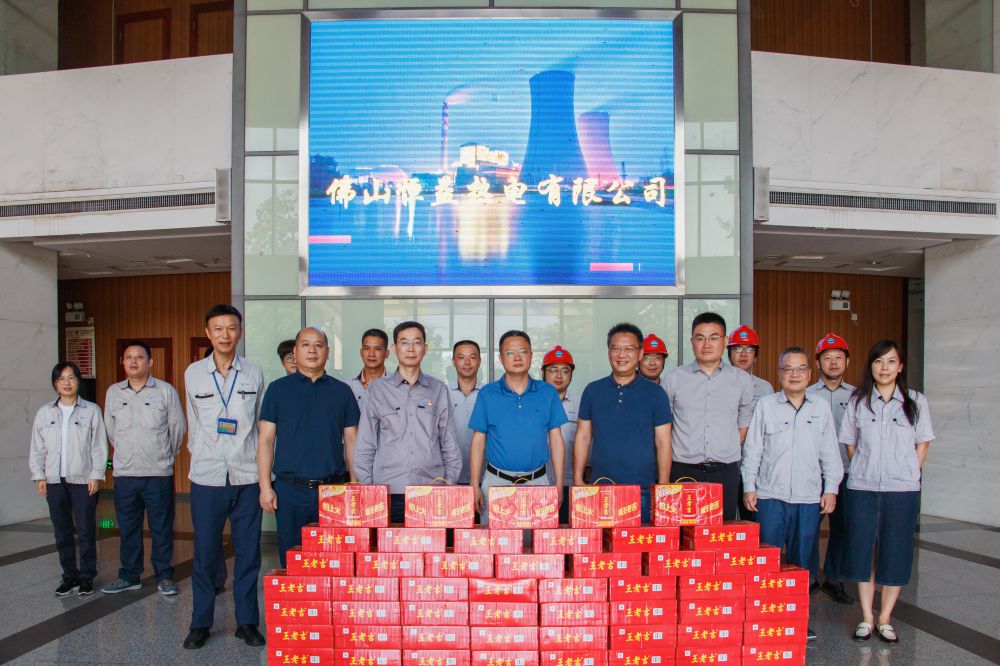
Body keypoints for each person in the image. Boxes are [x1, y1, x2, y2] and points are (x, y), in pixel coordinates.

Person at [741, 347, 843, 641]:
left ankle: (797, 620)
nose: (794, 374)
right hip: (770, 496)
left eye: (800, 369)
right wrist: (749, 486)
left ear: (809, 374)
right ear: (780, 373)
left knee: (802, 564)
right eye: (788, 369)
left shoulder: (820, 408)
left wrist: (831, 489)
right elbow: (753, 449)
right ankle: (766, 619)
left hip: (808, 498)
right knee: (768, 559)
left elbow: (830, 453)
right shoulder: (766, 406)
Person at [182, 304, 265, 650]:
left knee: (248, 553)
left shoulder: (254, 372)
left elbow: (260, 425)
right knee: (205, 553)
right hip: (207, 477)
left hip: (246, 475)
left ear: (240, 332)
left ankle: (247, 622)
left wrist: (264, 474)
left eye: (231, 328)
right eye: (218, 329)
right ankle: (200, 623)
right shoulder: (193, 374)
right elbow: (193, 423)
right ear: (208, 333)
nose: (225, 335)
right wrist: (201, 454)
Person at [841, 340, 933, 644]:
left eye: (891, 361)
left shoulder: (915, 401)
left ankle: (885, 619)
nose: (884, 367)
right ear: (871, 366)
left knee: (895, 551)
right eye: (879, 361)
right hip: (863, 488)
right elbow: (850, 443)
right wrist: (863, 468)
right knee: (863, 551)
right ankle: (867, 617)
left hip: (901, 490)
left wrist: (908, 472)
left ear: (900, 367)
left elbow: (923, 443)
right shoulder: (858, 401)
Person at [258, 327, 360, 565]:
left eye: (318, 345)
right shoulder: (278, 390)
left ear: (327, 351)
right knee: (292, 560)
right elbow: (265, 440)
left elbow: (352, 440)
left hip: (333, 489)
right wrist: (265, 486)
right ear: (295, 351)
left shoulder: (342, 391)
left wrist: (355, 485)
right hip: (290, 490)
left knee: (332, 560)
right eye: (305, 344)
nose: (312, 350)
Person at [354, 321, 462, 523]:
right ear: (395, 349)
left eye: (417, 342)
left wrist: (449, 484)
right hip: (388, 493)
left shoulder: (438, 389)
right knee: (390, 545)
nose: (410, 349)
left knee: (430, 544)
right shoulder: (378, 390)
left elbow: (449, 441)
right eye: (404, 343)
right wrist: (370, 488)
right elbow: (365, 443)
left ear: (425, 349)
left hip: (431, 490)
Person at [100, 341, 185, 597]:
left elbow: (177, 428)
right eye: (129, 357)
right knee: (128, 528)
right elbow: (111, 431)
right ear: (123, 362)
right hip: (125, 474)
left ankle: (164, 576)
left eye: (139, 357)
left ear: (150, 362)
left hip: (158, 474)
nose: (133, 361)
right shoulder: (114, 392)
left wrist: (164, 454)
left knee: (161, 527)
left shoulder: (165, 391)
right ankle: (129, 575)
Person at [575, 324, 673, 524]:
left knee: (638, 543)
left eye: (629, 349)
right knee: (600, 543)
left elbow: (663, 442)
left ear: (640, 354)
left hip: (642, 491)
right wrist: (578, 479)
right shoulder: (593, 390)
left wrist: (662, 487)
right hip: (600, 488)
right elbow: (583, 436)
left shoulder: (656, 394)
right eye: (616, 348)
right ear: (609, 352)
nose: (622, 354)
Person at [469, 330, 567, 524]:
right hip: (496, 483)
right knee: (496, 540)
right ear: (500, 358)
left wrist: (559, 483)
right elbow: (478, 441)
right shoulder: (487, 394)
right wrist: (474, 484)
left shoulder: (547, 392)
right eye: (510, 353)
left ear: (531, 355)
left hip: (538, 483)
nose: (517, 357)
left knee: (538, 540)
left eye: (523, 351)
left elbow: (556, 439)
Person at [663, 312, 755, 520]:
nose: (706, 344)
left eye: (714, 338)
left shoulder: (741, 380)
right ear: (692, 342)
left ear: (725, 341)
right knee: (683, 530)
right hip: (683, 469)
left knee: (722, 531)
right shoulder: (674, 378)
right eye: (700, 338)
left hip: (725, 471)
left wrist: (726, 448)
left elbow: (743, 422)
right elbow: (665, 426)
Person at [29, 361, 108, 597]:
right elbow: (37, 447)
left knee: (85, 530)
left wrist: (96, 475)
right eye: (61, 379)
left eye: (71, 378)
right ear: (55, 384)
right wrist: (39, 476)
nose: (66, 383)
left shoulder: (91, 410)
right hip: (54, 481)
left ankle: (86, 577)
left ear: (78, 381)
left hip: (83, 480)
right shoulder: (45, 413)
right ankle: (69, 576)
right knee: (62, 531)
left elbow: (99, 446)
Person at [807, 332, 855, 604]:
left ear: (847, 362)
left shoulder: (858, 396)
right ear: (818, 363)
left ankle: (834, 578)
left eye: (838, 357)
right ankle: (811, 577)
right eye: (827, 358)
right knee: (809, 528)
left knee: (843, 528)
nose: (833, 362)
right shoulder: (807, 394)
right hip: (814, 473)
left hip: (848, 473)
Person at [541, 345, 580, 523]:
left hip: (570, 484)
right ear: (543, 373)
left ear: (571, 375)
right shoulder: (534, 404)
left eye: (565, 371)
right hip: (539, 483)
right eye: (553, 370)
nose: (559, 375)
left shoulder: (580, 405)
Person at [449, 339, 483, 485]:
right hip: (450, 479)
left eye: (472, 357)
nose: (467, 362)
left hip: (484, 478)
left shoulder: (489, 394)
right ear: (453, 361)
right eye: (461, 357)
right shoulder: (442, 393)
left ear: (480, 361)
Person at [727, 325, 774, 405]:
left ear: (755, 357)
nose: (743, 354)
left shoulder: (765, 388)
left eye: (749, 349)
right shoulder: (719, 385)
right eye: (738, 349)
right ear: (729, 356)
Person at [347, 328, 390, 408]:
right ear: (361, 352)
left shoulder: (397, 386)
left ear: (387, 354)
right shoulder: (346, 386)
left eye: (377, 349)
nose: (371, 354)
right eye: (367, 348)